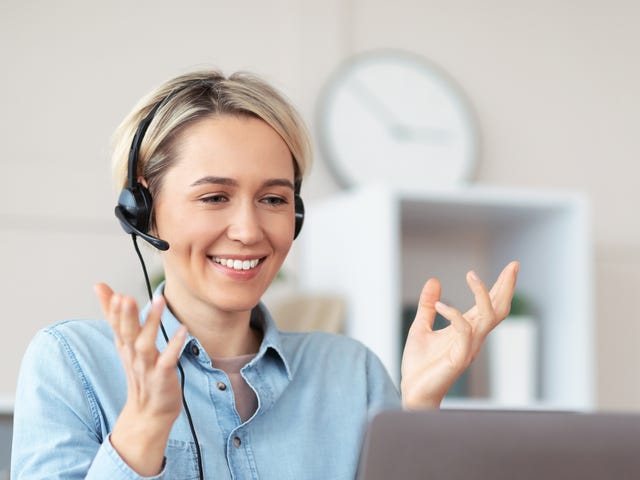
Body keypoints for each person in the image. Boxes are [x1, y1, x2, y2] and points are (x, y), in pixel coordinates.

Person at [11, 70, 519, 479]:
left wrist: (419, 412)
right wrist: (142, 429)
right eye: (214, 197)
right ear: (144, 210)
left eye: (273, 199)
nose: (250, 231)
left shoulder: (351, 372)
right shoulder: (72, 364)